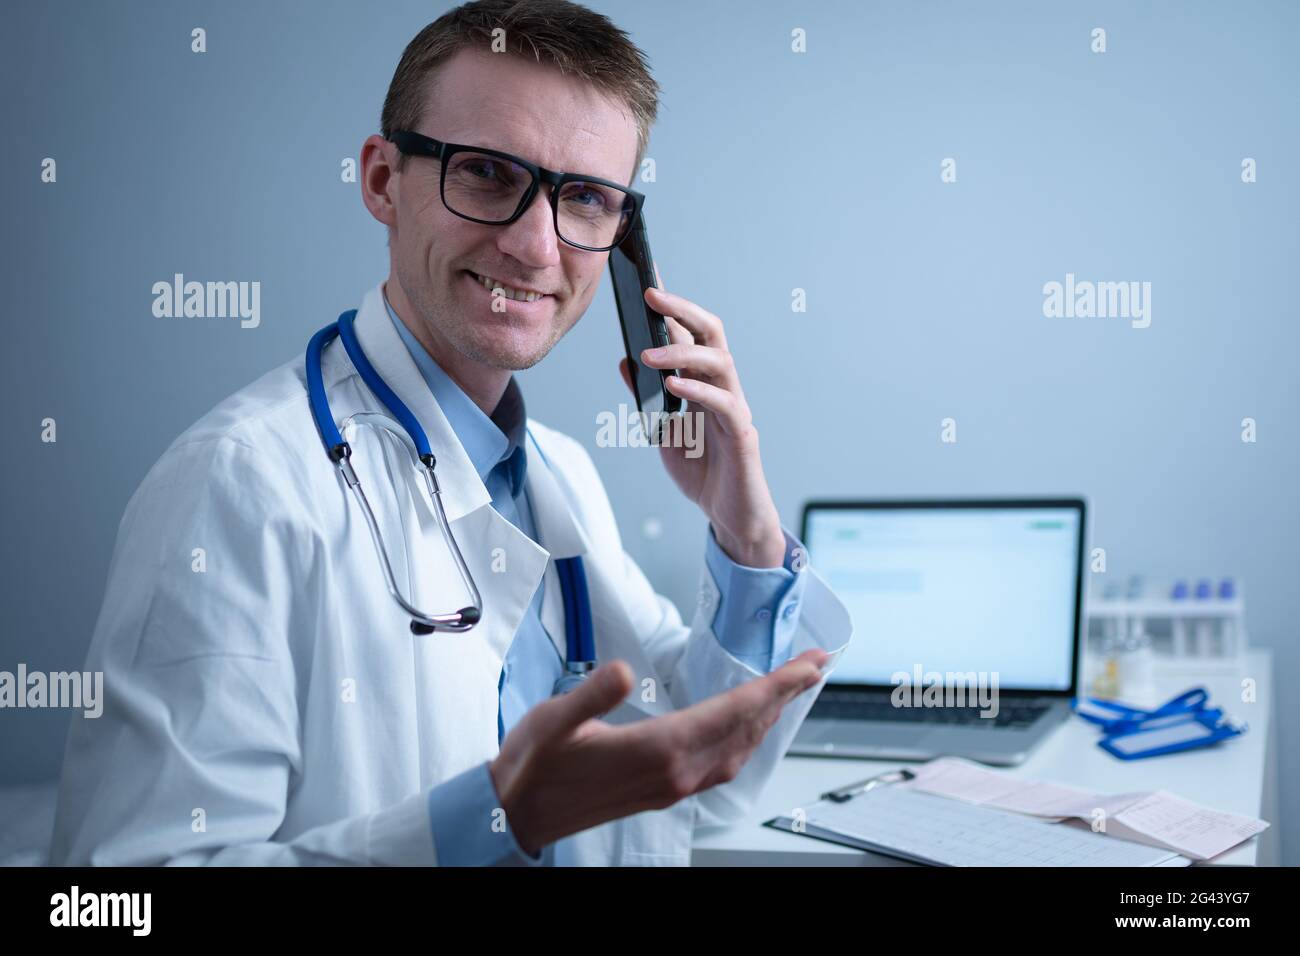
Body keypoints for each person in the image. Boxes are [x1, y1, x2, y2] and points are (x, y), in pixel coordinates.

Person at [50, 0, 851, 866]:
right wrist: (495, 818)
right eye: (486, 174)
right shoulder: (237, 485)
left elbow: (705, 784)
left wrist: (747, 533)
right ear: (383, 181)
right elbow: (118, 897)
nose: (537, 248)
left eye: (584, 198)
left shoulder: (561, 477)